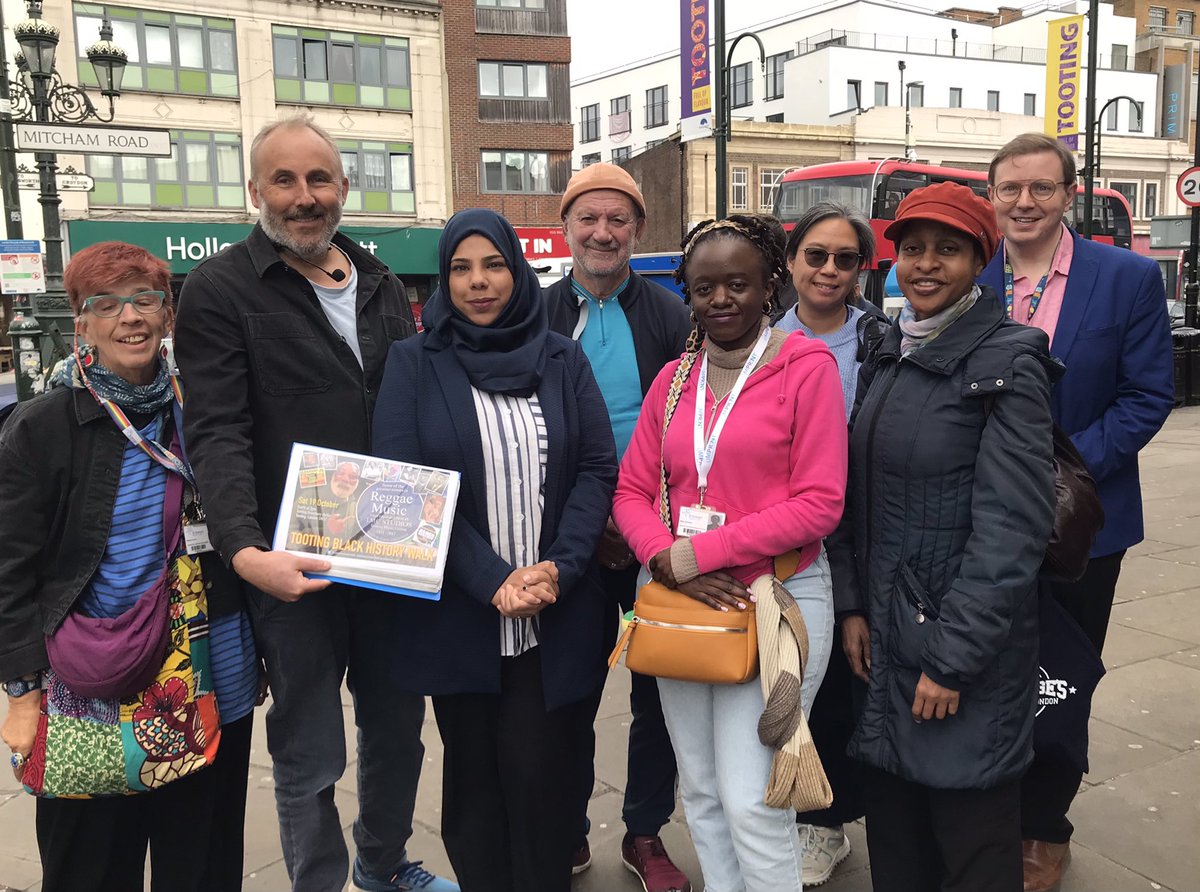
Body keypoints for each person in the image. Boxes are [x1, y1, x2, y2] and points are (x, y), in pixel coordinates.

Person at [173, 115, 455, 892]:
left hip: (393, 550)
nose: (305, 197)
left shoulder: (381, 282)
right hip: (290, 563)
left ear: (342, 188)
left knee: (399, 731)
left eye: (319, 179)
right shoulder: (220, 289)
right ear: (256, 191)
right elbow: (218, 431)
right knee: (309, 747)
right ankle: (319, 884)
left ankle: (386, 864)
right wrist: (244, 551)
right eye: (286, 181)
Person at [371, 208, 617, 892]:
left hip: (554, 612)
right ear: (445, 278)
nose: (478, 282)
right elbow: (402, 488)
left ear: (517, 269)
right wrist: (491, 580)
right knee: (475, 783)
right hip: (462, 615)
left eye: (494, 265)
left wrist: (560, 569)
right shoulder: (413, 364)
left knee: (543, 779)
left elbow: (597, 468)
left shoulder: (561, 358)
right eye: (461, 268)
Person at [0, 241, 257, 891]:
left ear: (168, 314)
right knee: (90, 869)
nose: (130, 317)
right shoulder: (42, 425)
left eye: (145, 299)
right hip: (91, 688)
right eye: (106, 304)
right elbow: (9, 570)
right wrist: (21, 695)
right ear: (80, 323)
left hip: (210, 678)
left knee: (200, 866)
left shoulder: (205, 412)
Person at [829, 182, 1058, 892]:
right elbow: (859, 502)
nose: (926, 265)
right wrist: (853, 608)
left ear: (980, 261)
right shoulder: (889, 349)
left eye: (949, 250)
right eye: (914, 249)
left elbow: (1011, 532)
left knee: (971, 845)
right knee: (897, 842)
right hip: (888, 639)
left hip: (960, 654)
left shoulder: (1010, 361)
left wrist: (952, 660)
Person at [613, 214, 848, 892]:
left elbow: (819, 503)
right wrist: (664, 556)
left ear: (770, 285)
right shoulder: (673, 381)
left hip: (778, 599)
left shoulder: (807, 368)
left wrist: (699, 553)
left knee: (752, 800)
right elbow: (630, 491)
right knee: (705, 793)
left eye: (738, 285)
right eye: (704, 287)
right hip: (685, 604)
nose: (720, 300)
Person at [978, 133, 1174, 892]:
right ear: (991, 196)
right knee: (988, 671)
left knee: (1058, 676)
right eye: (1009, 190)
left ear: (1069, 193)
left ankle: (1043, 825)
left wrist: (1059, 469)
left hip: (1082, 524)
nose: (1024, 203)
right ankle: (988, 806)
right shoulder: (967, 273)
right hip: (982, 519)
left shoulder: (1124, 278)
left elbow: (1148, 396)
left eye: (1041, 189)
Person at [544, 162, 693, 891]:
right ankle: (568, 829)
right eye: (588, 218)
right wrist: (586, 519)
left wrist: (640, 524)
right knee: (566, 691)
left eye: (618, 219)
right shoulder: (535, 315)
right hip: (568, 541)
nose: (602, 232)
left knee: (658, 694)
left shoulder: (671, 317)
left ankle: (643, 831)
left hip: (652, 542)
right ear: (566, 226)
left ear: (636, 229)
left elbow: (690, 429)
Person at [774, 201, 885, 886]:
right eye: (816, 255)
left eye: (846, 259)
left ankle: (827, 822)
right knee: (791, 685)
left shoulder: (883, 339)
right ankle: (796, 814)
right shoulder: (762, 339)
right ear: (790, 262)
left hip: (865, 532)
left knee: (846, 682)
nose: (830, 270)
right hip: (786, 541)